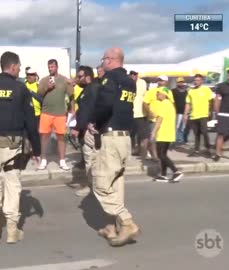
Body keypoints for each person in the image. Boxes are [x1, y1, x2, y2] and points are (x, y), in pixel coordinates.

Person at [0, 51, 41, 244]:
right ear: (12, 67)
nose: (20, 69)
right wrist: (37, 150)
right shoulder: (21, 89)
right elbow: (31, 123)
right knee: (12, 184)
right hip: (12, 146)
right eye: (19, 66)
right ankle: (12, 230)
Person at [86, 47, 140, 247]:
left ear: (110, 60)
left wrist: (93, 121)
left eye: (103, 59)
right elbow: (127, 109)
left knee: (100, 185)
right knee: (115, 185)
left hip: (111, 137)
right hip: (124, 137)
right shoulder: (129, 82)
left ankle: (127, 222)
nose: (102, 63)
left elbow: (105, 105)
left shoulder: (110, 79)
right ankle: (111, 227)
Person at [37, 59, 73, 171]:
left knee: (61, 137)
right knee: (44, 137)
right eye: (49, 67)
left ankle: (62, 161)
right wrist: (47, 87)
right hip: (46, 113)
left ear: (57, 67)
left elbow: (71, 95)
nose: (50, 68)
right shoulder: (44, 80)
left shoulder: (63, 80)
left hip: (60, 113)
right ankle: (43, 160)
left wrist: (72, 109)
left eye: (52, 66)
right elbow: (39, 94)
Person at [70, 65, 100, 197]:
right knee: (91, 159)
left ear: (88, 77)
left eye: (80, 76)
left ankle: (92, 187)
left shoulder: (92, 89)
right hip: (86, 128)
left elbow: (87, 112)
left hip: (89, 130)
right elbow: (82, 109)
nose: (78, 79)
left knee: (90, 159)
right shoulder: (88, 89)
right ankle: (94, 186)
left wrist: (77, 128)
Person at [151, 88, 183, 183]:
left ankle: (176, 171)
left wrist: (153, 132)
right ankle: (163, 175)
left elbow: (159, 119)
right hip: (169, 133)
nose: (157, 95)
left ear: (164, 94)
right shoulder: (169, 104)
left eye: (158, 93)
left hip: (163, 133)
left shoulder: (163, 104)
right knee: (163, 155)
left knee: (161, 154)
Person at [143, 75, 174, 161]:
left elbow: (172, 103)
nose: (160, 82)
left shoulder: (168, 91)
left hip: (165, 119)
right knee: (154, 138)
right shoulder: (151, 91)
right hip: (154, 119)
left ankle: (161, 154)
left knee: (162, 139)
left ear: (166, 82)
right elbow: (145, 103)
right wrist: (149, 112)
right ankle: (155, 156)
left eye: (162, 81)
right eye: (159, 80)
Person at [183, 74, 213, 157]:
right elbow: (188, 103)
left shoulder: (206, 90)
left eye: (198, 80)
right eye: (195, 80)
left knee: (204, 131)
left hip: (203, 115)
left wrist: (211, 111)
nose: (196, 82)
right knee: (197, 134)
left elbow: (211, 101)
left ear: (202, 81)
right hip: (193, 115)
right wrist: (185, 114)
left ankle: (208, 149)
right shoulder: (191, 91)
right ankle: (196, 150)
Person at [129, 70, 149, 158]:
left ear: (137, 75)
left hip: (141, 113)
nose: (133, 76)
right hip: (130, 113)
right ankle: (132, 150)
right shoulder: (127, 82)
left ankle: (143, 152)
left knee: (143, 134)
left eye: (135, 74)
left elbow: (145, 96)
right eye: (132, 74)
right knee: (131, 134)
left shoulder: (143, 82)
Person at [171, 77, 188, 144]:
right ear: (177, 83)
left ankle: (181, 139)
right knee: (176, 126)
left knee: (183, 127)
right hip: (176, 112)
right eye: (179, 82)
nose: (181, 83)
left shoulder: (186, 91)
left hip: (184, 112)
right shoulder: (173, 91)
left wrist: (186, 112)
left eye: (182, 82)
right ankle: (175, 140)